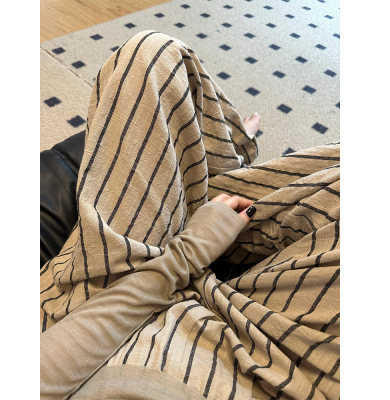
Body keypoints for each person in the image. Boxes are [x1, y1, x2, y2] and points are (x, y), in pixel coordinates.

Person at [40, 30, 340, 400]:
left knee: (152, 56)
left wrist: (186, 255)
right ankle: (222, 166)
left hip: (95, 313)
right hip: (277, 361)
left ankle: (223, 162)